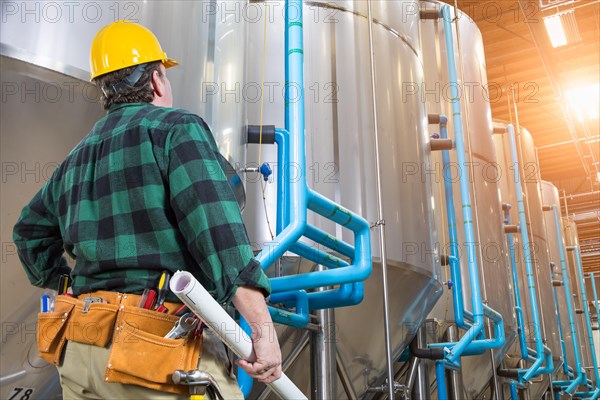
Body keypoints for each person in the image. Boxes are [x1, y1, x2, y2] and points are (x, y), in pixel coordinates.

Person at [13, 20, 281, 399]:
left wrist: (68, 285)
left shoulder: (76, 157)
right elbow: (220, 238)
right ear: (157, 80)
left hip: (79, 348)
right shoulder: (177, 129)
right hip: (153, 350)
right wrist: (263, 332)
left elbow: (27, 232)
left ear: (104, 91)